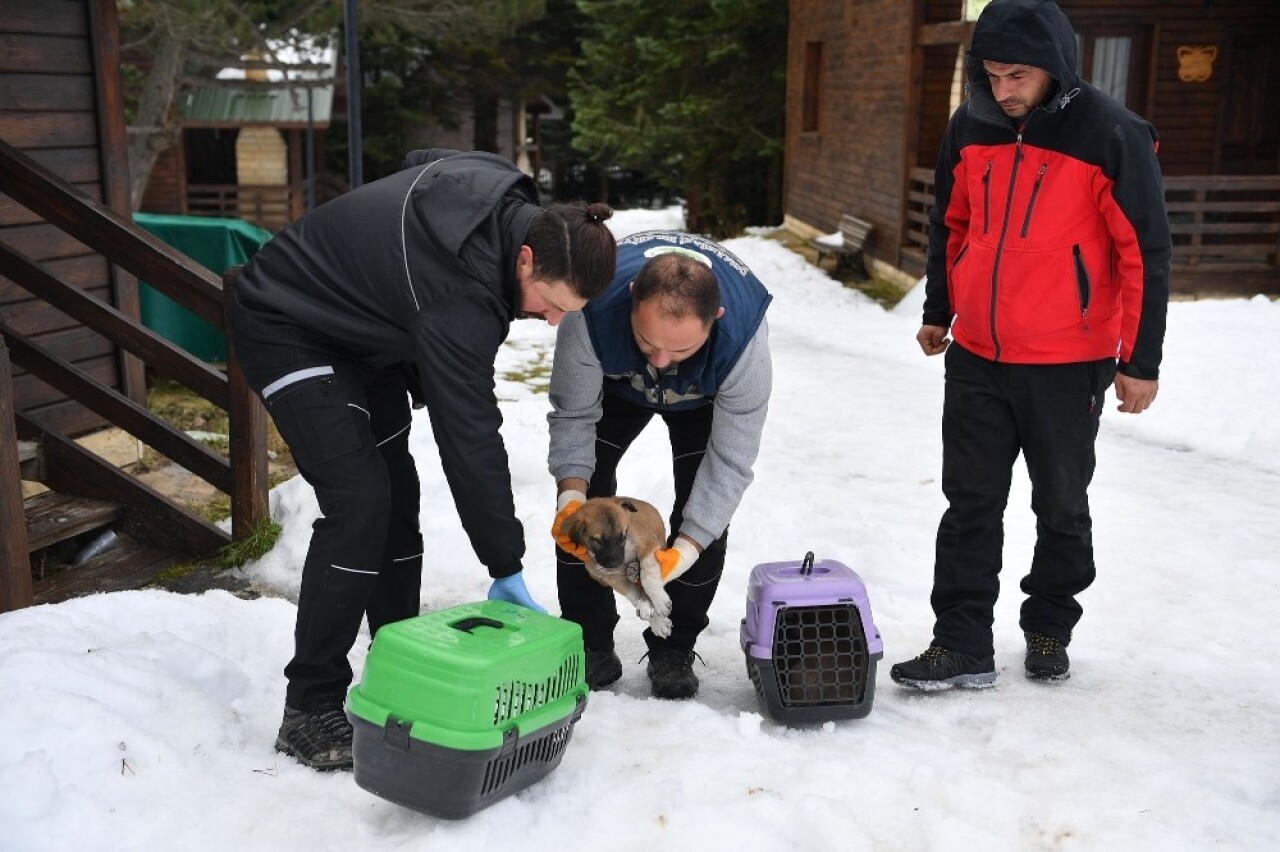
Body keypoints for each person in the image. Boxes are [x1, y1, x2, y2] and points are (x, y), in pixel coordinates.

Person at [229, 148, 617, 769]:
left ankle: (396, 667)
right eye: (550, 303)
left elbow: (419, 160)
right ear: (525, 259)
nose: (548, 322)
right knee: (360, 503)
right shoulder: (460, 296)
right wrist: (504, 561)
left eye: (565, 315)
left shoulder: (504, 192)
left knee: (397, 498)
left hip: (367, 335)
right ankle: (309, 704)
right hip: (286, 320)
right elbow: (470, 438)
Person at [890, 0, 1171, 690]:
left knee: (1062, 504)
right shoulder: (973, 122)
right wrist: (939, 307)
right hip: (979, 354)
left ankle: (1049, 623)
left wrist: (1141, 361)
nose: (1005, 90)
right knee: (969, 504)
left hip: (1068, 362)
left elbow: (1145, 253)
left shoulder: (1111, 133)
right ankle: (960, 643)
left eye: (1017, 75)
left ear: (1054, 67)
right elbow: (950, 223)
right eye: (992, 75)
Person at [547, 231, 772, 699]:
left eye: (681, 349)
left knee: (702, 507)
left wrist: (685, 549)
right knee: (583, 514)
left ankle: (674, 644)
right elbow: (573, 416)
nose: (663, 359)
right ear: (630, 299)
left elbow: (729, 464)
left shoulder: (742, 342)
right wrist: (570, 496)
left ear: (717, 320)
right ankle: (588, 643)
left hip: (702, 399)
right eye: (648, 341)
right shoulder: (590, 312)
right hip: (617, 387)